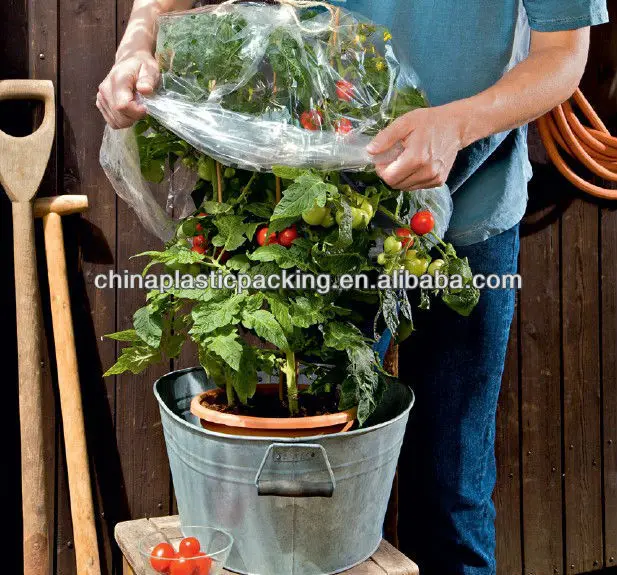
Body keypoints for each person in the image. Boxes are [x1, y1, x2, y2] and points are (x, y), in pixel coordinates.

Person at [97, 1, 609, 574]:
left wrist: (457, 124)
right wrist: (136, 43)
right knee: (320, 498)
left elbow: (563, 55)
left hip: (471, 201)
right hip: (327, 213)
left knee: (452, 490)